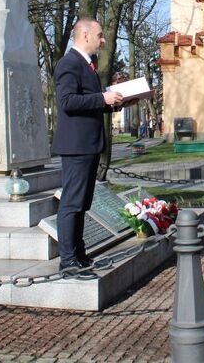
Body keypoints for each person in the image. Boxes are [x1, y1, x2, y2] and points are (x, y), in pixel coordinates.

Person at [51, 18, 127, 271]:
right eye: (100, 35)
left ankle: (79, 254)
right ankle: (68, 260)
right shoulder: (69, 64)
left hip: (88, 144)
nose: (103, 40)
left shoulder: (87, 65)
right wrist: (102, 98)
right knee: (72, 203)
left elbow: (88, 103)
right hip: (76, 146)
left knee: (82, 203)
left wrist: (113, 103)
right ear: (85, 35)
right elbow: (67, 102)